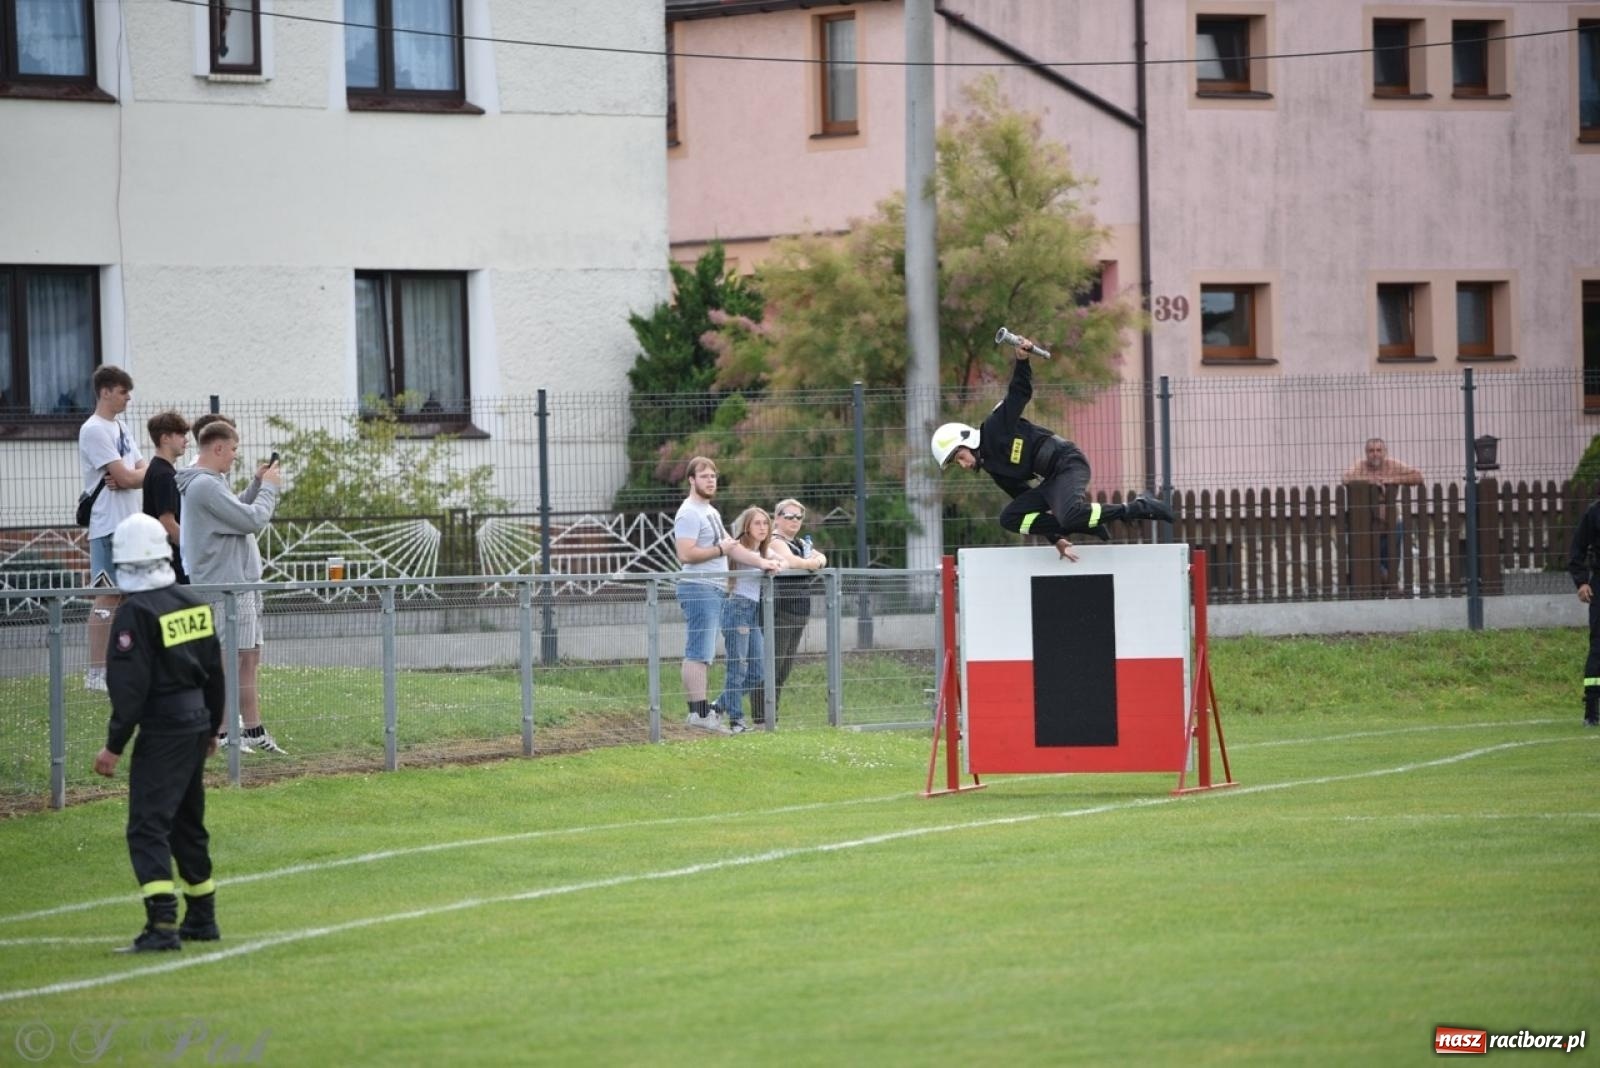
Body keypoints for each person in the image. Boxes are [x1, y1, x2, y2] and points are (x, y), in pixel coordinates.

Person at [93, 513, 227, 953]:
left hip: (164, 728)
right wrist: (211, 726)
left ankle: (162, 924)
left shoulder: (135, 612)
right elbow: (214, 672)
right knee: (187, 822)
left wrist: (115, 745)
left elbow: (129, 687)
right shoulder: (193, 604)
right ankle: (202, 917)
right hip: (195, 725)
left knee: (148, 826)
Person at [931, 334, 1174, 557]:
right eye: (956, 463)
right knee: (1010, 517)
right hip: (1050, 481)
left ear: (966, 441)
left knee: (1069, 515)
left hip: (1068, 462)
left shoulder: (995, 427)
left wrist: (1022, 359)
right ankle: (1081, 523)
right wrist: (1056, 538)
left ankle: (1136, 507)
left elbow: (1019, 393)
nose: (962, 465)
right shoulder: (994, 468)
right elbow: (1023, 497)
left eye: (959, 456)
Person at [175, 419, 286, 754]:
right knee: (227, 660)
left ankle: (253, 730)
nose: (236, 457)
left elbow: (237, 509)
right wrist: (269, 488)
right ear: (218, 448)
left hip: (242, 583)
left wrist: (255, 484)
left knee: (249, 657)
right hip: (223, 587)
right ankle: (224, 733)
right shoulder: (204, 485)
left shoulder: (214, 483)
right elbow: (252, 519)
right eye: (234, 449)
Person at [673, 457, 781, 734]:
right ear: (691, 480)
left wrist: (763, 563)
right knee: (700, 651)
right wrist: (719, 550)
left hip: (716, 589)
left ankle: (709, 711)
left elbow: (732, 548)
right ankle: (698, 714)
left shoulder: (710, 511)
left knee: (712, 654)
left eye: (713, 476)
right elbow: (685, 554)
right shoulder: (689, 513)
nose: (710, 480)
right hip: (699, 587)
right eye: (704, 476)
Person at [78, 366, 147, 692]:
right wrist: (129, 477)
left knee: (129, 597)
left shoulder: (120, 427)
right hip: (108, 526)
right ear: (105, 391)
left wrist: (131, 477)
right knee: (107, 596)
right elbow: (126, 475)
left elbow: (144, 469)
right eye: (123, 392)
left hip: (131, 524)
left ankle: (123, 664)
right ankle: (96, 672)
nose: (128, 398)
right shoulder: (93, 430)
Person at [711, 507, 774, 733]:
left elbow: (782, 561)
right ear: (747, 527)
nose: (762, 528)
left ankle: (717, 706)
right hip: (737, 608)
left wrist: (776, 563)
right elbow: (762, 562)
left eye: (765, 524)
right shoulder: (741, 549)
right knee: (737, 668)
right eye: (757, 523)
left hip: (752, 612)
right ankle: (736, 721)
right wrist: (770, 563)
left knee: (758, 671)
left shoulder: (763, 551)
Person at [767, 498, 826, 717]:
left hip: (799, 612)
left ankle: (772, 716)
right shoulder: (775, 540)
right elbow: (791, 562)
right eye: (789, 516)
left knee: (783, 670)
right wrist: (812, 563)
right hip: (781, 611)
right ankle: (763, 717)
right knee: (773, 668)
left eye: (798, 517)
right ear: (777, 518)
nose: (794, 520)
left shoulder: (801, 542)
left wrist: (813, 561)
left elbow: (822, 558)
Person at [1341, 437, 1423, 580]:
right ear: (1366, 453)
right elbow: (1345, 479)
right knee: (1371, 560)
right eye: (1371, 451)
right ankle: (1386, 583)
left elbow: (1418, 477)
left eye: (1379, 450)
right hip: (1367, 526)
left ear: (1385, 452)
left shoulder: (1393, 465)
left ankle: (1388, 584)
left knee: (1391, 559)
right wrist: (1371, 482)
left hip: (1392, 523)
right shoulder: (1360, 466)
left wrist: (1392, 480)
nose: (1375, 454)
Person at [142, 410, 191, 585]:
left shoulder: (157, 469)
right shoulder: (164, 475)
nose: (186, 440)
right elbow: (167, 522)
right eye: (180, 435)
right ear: (165, 438)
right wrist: (190, 552)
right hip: (172, 562)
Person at [1568, 498, 1600, 727]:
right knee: (1598, 647)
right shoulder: (1594, 513)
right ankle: (1591, 711)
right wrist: (1581, 582)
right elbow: (1577, 549)